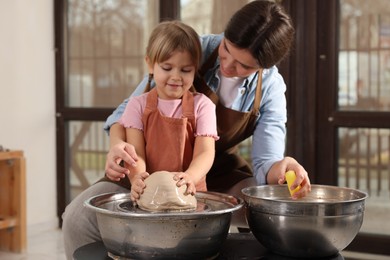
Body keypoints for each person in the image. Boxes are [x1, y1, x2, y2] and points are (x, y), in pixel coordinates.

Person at [62, 1, 312, 258]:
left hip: (214, 172)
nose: (227, 66)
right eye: (226, 49)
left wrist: (282, 167)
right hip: (146, 167)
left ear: (264, 66)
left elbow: (265, 166)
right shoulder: (192, 48)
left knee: (269, 216)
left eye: (243, 66)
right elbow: (123, 115)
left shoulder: (270, 89)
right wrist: (118, 147)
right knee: (78, 217)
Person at [118, 20, 218, 201]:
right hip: (150, 194)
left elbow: (205, 152)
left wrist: (191, 177)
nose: (176, 76)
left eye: (185, 70)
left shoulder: (203, 106)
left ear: (195, 70)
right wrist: (138, 178)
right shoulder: (137, 106)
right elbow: (136, 153)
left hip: (191, 194)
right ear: (150, 64)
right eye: (167, 68)